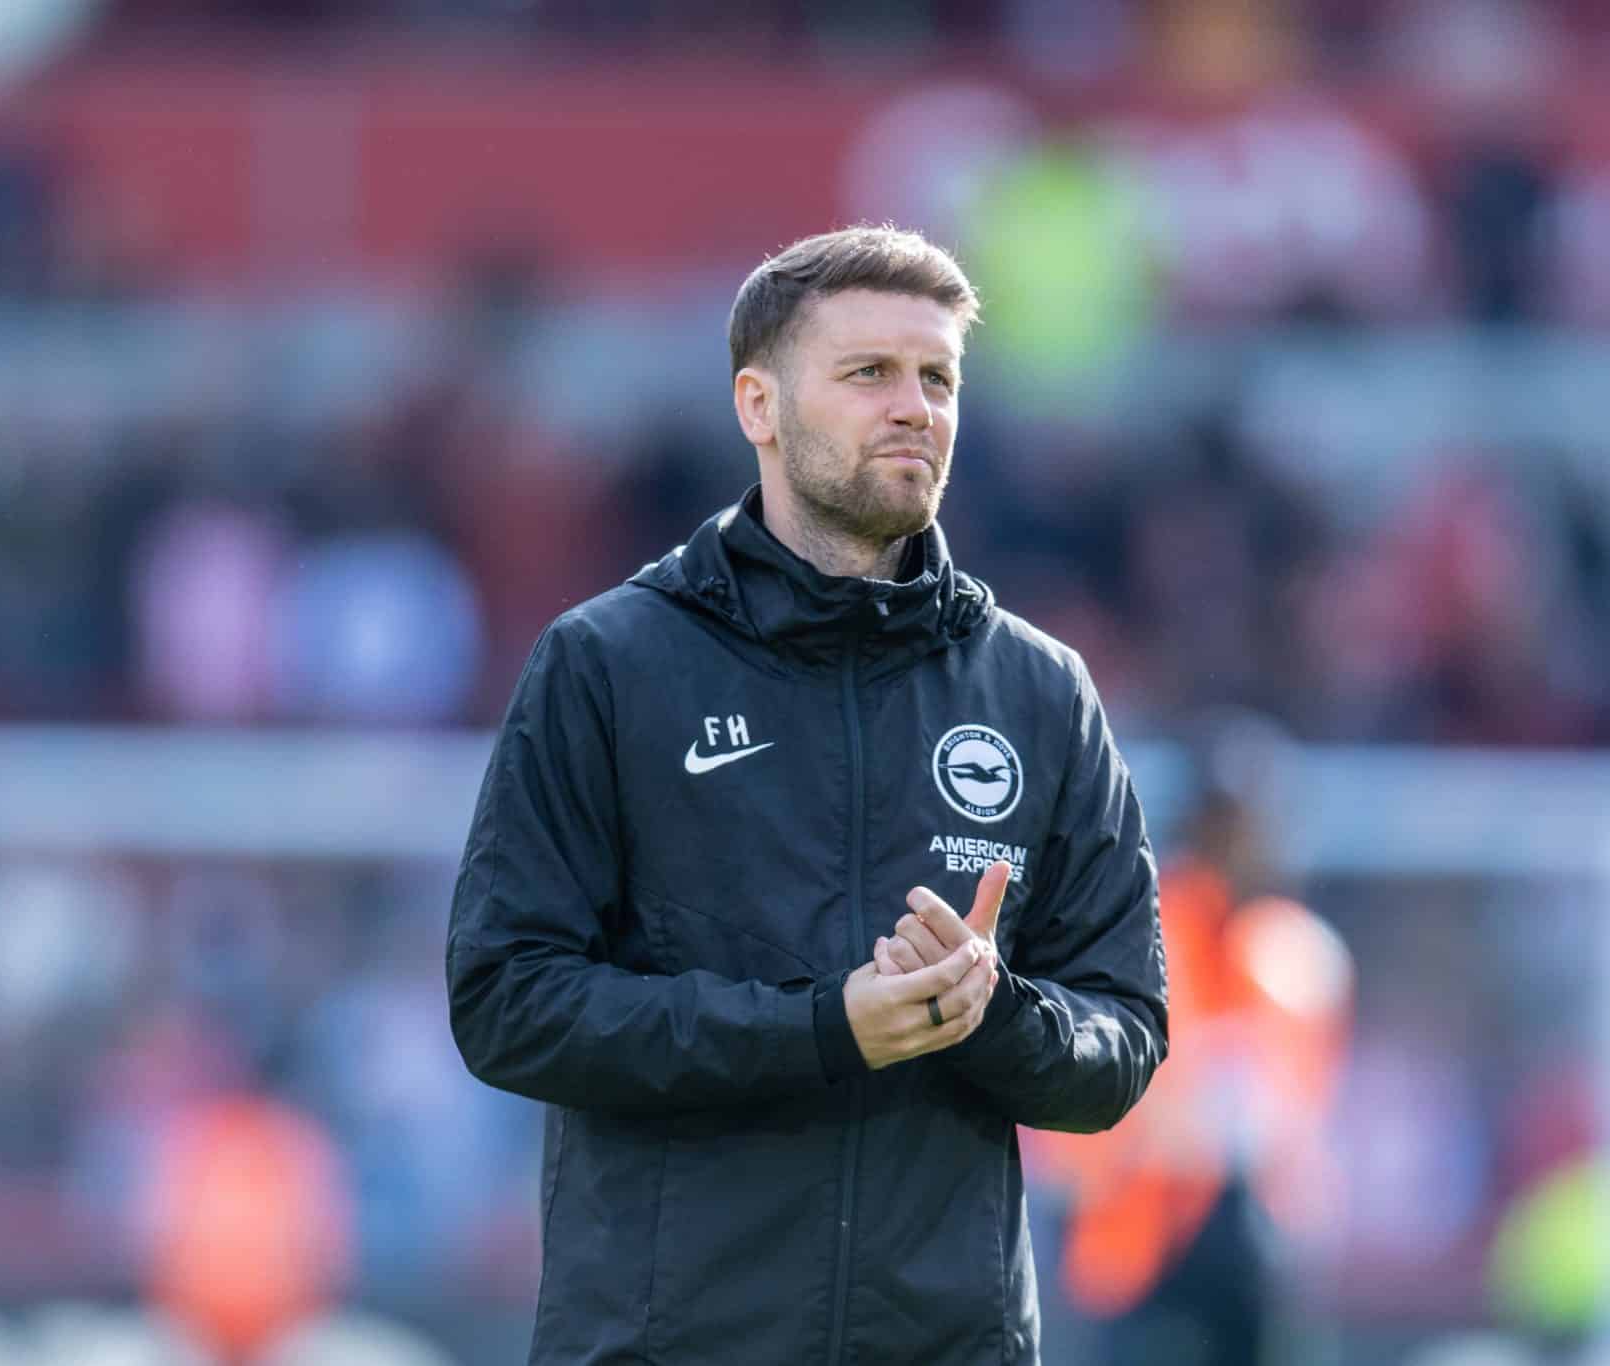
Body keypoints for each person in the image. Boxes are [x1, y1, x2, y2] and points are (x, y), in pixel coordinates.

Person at [445, 224, 1169, 1366]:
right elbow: (507, 1003)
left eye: (938, 377)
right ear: (758, 406)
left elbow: (1122, 1039)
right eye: (867, 372)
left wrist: (994, 1014)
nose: (913, 406)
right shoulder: (610, 665)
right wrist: (821, 1029)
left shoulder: (1036, 690)